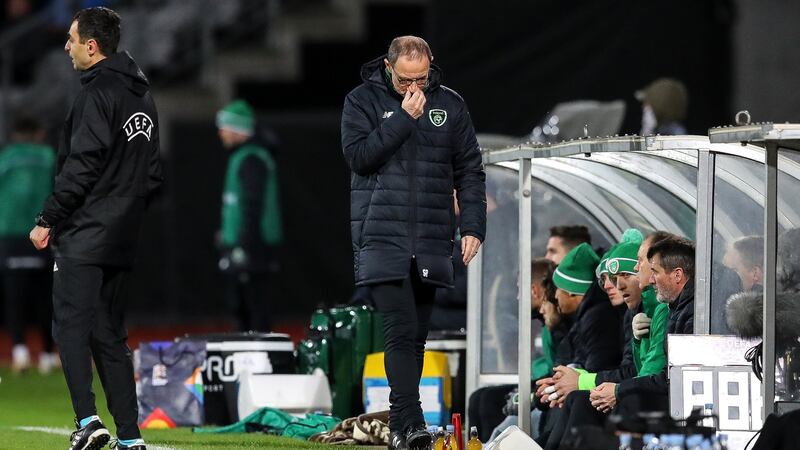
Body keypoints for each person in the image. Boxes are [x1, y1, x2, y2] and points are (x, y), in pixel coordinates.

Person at [341, 35, 486, 450]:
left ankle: (403, 426)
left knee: (417, 335)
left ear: (431, 66)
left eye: (421, 79)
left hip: (432, 237)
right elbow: (358, 157)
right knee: (400, 329)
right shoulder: (361, 101)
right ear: (389, 68)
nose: (415, 89)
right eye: (406, 81)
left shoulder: (451, 105)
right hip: (380, 235)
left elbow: (470, 171)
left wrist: (473, 225)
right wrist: (402, 118)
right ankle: (413, 420)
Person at [28, 7, 162, 450]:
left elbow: (81, 166)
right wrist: (128, 212)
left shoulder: (96, 93)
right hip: (124, 235)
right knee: (109, 334)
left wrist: (48, 218)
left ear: (92, 45)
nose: (66, 47)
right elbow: (153, 174)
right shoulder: (142, 95)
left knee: (69, 326)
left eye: (70, 39)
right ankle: (129, 436)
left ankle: (88, 420)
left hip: (86, 233)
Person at [216, 99, 283, 332]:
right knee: (244, 308)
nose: (221, 132)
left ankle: (258, 363)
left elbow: (252, 206)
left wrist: (243, 246)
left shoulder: (252, 159)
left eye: (225, 126)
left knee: (253, 311)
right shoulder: (245, 156)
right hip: (248, 245)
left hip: (254, 247)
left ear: (237, 128)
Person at [0, 116, 57, 374]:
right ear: (37, 133)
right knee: (46, 297)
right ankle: (47, 354)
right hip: (43, 231)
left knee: (14, 296)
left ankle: (19, 350)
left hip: (10, 234)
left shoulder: (7, 158)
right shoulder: (48, 156)